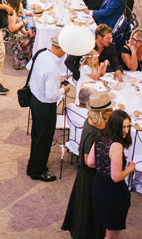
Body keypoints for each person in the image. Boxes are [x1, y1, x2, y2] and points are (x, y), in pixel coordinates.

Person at [62, 92, 112, 239]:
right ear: (101, 112)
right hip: (90, 176)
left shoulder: (94, 121)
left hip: (90, 175)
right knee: (89, 209)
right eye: (109, 110)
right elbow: (88, 160)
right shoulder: (92, 132)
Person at [27, 34, 72, 182]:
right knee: (44, 139)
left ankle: (33, 165)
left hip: (34, 99)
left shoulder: (40, 53)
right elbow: (52, 95)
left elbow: (30, 68)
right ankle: (37, 171)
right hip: (45, 106)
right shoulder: (53, 68)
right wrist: (63, 90)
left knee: (37, 135)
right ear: (63, 49)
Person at [86, 110, 134, 238]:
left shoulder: (101, 136)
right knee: (111, 234)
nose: (126, 130)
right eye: (123, 127)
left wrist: (105, 164)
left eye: (128, 126)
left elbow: (90, 162)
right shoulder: (116, 146)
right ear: (115, 126)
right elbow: (116, 177)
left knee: (105, 226)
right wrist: (129, 168)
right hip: (113, 193)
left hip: (98, 187)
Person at [4, 0, 35, 70]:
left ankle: (24, 53)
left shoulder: (13, 8)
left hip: (17, 31)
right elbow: (12, 28)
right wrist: (22, 23)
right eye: (20, 0)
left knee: (32, 31)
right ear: (16, 1)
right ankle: (25, 55)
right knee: (34, 35)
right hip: (11, 34)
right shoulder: (12, 13)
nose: (21, 2)